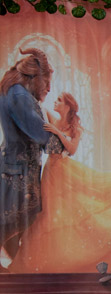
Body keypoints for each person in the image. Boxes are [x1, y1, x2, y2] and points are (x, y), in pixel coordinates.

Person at [8, 92, 111, 273]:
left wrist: (58, 133)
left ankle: (71, 256)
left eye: (59, 100)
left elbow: (71, 149)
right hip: (49, 171)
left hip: (65, 169)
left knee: (71, 209)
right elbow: (37, 109)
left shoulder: (74, 128)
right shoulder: (50, 116)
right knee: (48, 212)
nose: (55, 102)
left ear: (68, 106)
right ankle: (42, 259)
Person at [0, 48, 59, 267]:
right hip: (17, 173)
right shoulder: (18, 95)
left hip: (15, 168)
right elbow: (40, 133)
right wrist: (64, 142)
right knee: (13, 224)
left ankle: (18, 268)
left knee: (15, 227)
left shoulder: (15, 92)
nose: (49, 89)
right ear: (35, 78)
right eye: (46, 83)